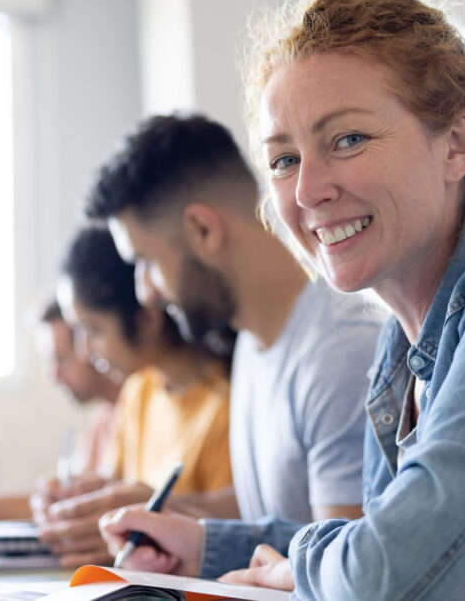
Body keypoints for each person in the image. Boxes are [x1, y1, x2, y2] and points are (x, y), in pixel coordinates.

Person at [100, 0, 465, 600]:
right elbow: (381, 540)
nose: (308, 190)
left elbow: (395, 576)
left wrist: (302, 565)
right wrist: (206, 547)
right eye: (284, 159)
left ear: (456, 145)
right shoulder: (397, 352)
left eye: (348, 139)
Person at [80, 113, 381, 530]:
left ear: (203, 229)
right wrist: (160, 513)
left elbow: (338, 576)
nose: (145, 292)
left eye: (147, 262)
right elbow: (277, 510)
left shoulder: (340, 355)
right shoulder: (251, 343)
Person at [34, 224, 234, 568]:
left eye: (93, 330)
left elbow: (232, 539)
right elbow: (115, 490)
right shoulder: (139, 391)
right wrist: (80, 503)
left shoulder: (226, 404)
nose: (84, 350)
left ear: (146, 319)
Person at [0, 299, 122, 522]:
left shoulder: (140, 412)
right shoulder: (103, 423)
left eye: (61, 359)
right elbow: (68, 501)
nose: (53, 375)